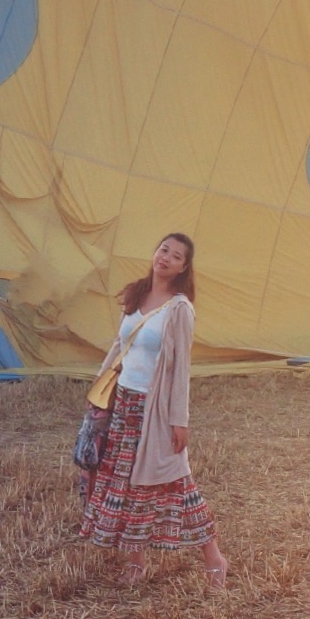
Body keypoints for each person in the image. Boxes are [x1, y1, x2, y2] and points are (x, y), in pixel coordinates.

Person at [78, 232, 229, 588]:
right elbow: (119, 346)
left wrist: (179, 420)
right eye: (163, 249)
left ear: (183, 268)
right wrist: (98, 391)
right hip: (124, 404)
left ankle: (215, 558)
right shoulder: (135, 293)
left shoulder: (179, 309)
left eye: (176, 256)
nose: (166, 258)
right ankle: (136, 562)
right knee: (127, 483)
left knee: (177, 480)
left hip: (155, 409)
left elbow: (180, 368)